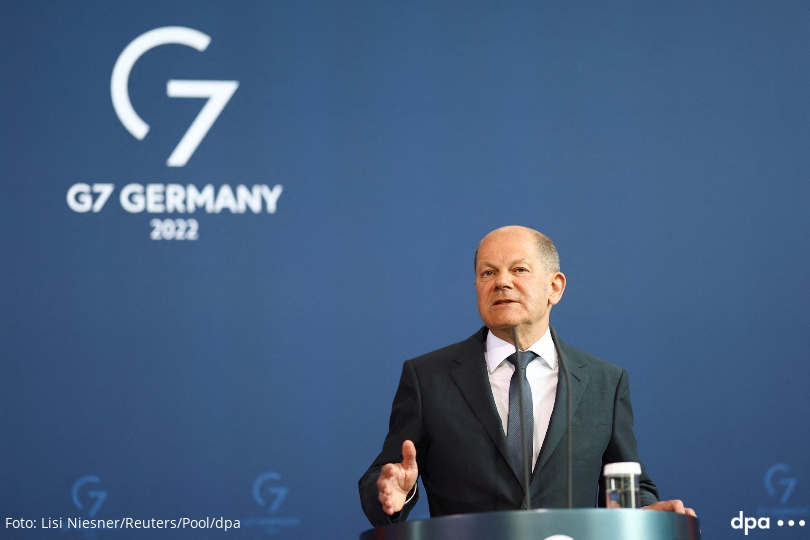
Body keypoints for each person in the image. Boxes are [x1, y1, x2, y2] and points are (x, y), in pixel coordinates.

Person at [359, 226, 695, 526]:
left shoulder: (604, 382)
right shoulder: (428, 378)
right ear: (477, 287)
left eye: (519, 269)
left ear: (555, 287)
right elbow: (384, 476)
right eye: (488, 273)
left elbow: (625, 482)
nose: (501, 282)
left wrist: (643, 512)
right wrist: (394, 492)